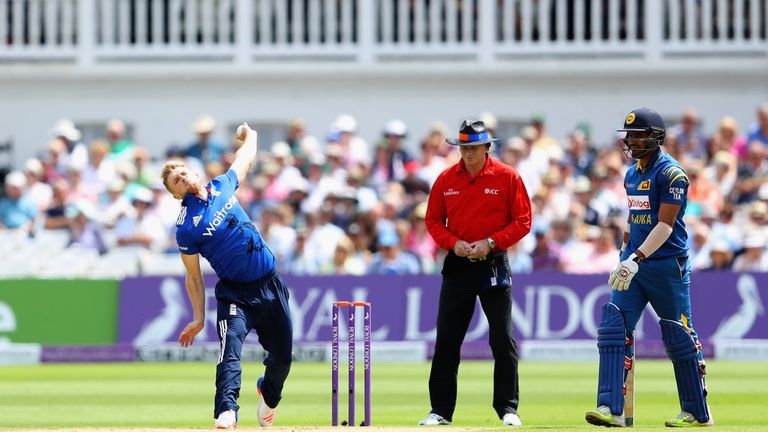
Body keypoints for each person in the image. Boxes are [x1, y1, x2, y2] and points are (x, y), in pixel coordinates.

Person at [585, 108, 713, 427]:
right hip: (636, 262)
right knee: (614, 326)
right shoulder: (632, 174)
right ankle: (612, 409)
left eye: (637, 135)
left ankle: (697, 412)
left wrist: (636, 258)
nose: (630, 141)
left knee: (677, 334)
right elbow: (634, 217)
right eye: (628, 135)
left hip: (667, 264)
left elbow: (665, 226)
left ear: (655, 137)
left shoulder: (672, 174)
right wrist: (624, 254)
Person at [161, 123, 292, 430]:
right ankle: (227, 411)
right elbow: (193, 277)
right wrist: (197, 318)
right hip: (236, 295)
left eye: (182, 171)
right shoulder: (186, 226)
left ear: (194, 172)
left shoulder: (222, 185)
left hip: (271, 283)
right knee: (230, 347)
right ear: (175, 193)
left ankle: (269, 397)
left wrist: (251, 135)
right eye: (175, 180)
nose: (181, 177)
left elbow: (245, 157)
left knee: (283, 358)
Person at [420, 119, 531, 427]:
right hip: (457, 265)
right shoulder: (445, 179)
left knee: (502, 339)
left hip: (493, 263)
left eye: (474, 147)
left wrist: (491, 242)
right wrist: (454, 244)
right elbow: (432, 222)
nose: (468, 153)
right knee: (447, 340)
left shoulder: (508, 177)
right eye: (464, 147)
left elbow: (522, 221)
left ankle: (508, 408)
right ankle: (440, 411)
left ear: (486, 147)